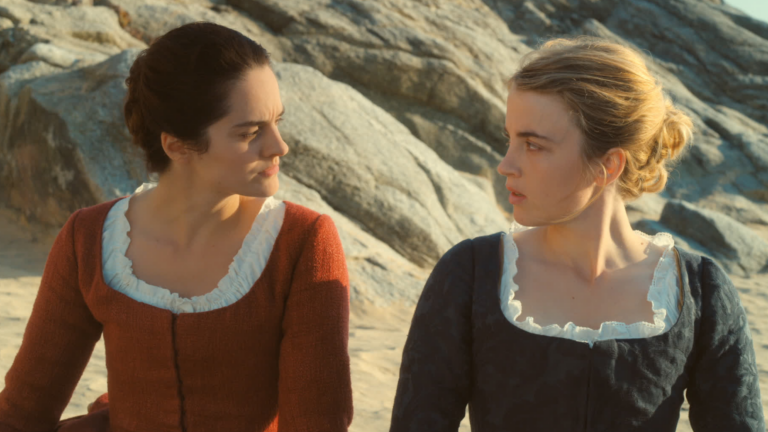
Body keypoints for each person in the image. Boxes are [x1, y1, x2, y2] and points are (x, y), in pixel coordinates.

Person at [389, 37, 764, 431]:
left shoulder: (701, 292)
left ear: (609, 165)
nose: (506, 165)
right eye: (509, 139)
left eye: (533, 145)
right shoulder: (469, 274)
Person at [0, 22, 353, 432]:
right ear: (178, 146)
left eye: (277, 122)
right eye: (250, 132)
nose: (279, 146)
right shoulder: (89, 238)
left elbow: (316, 422)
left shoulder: (302, 242)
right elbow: (24, 410)